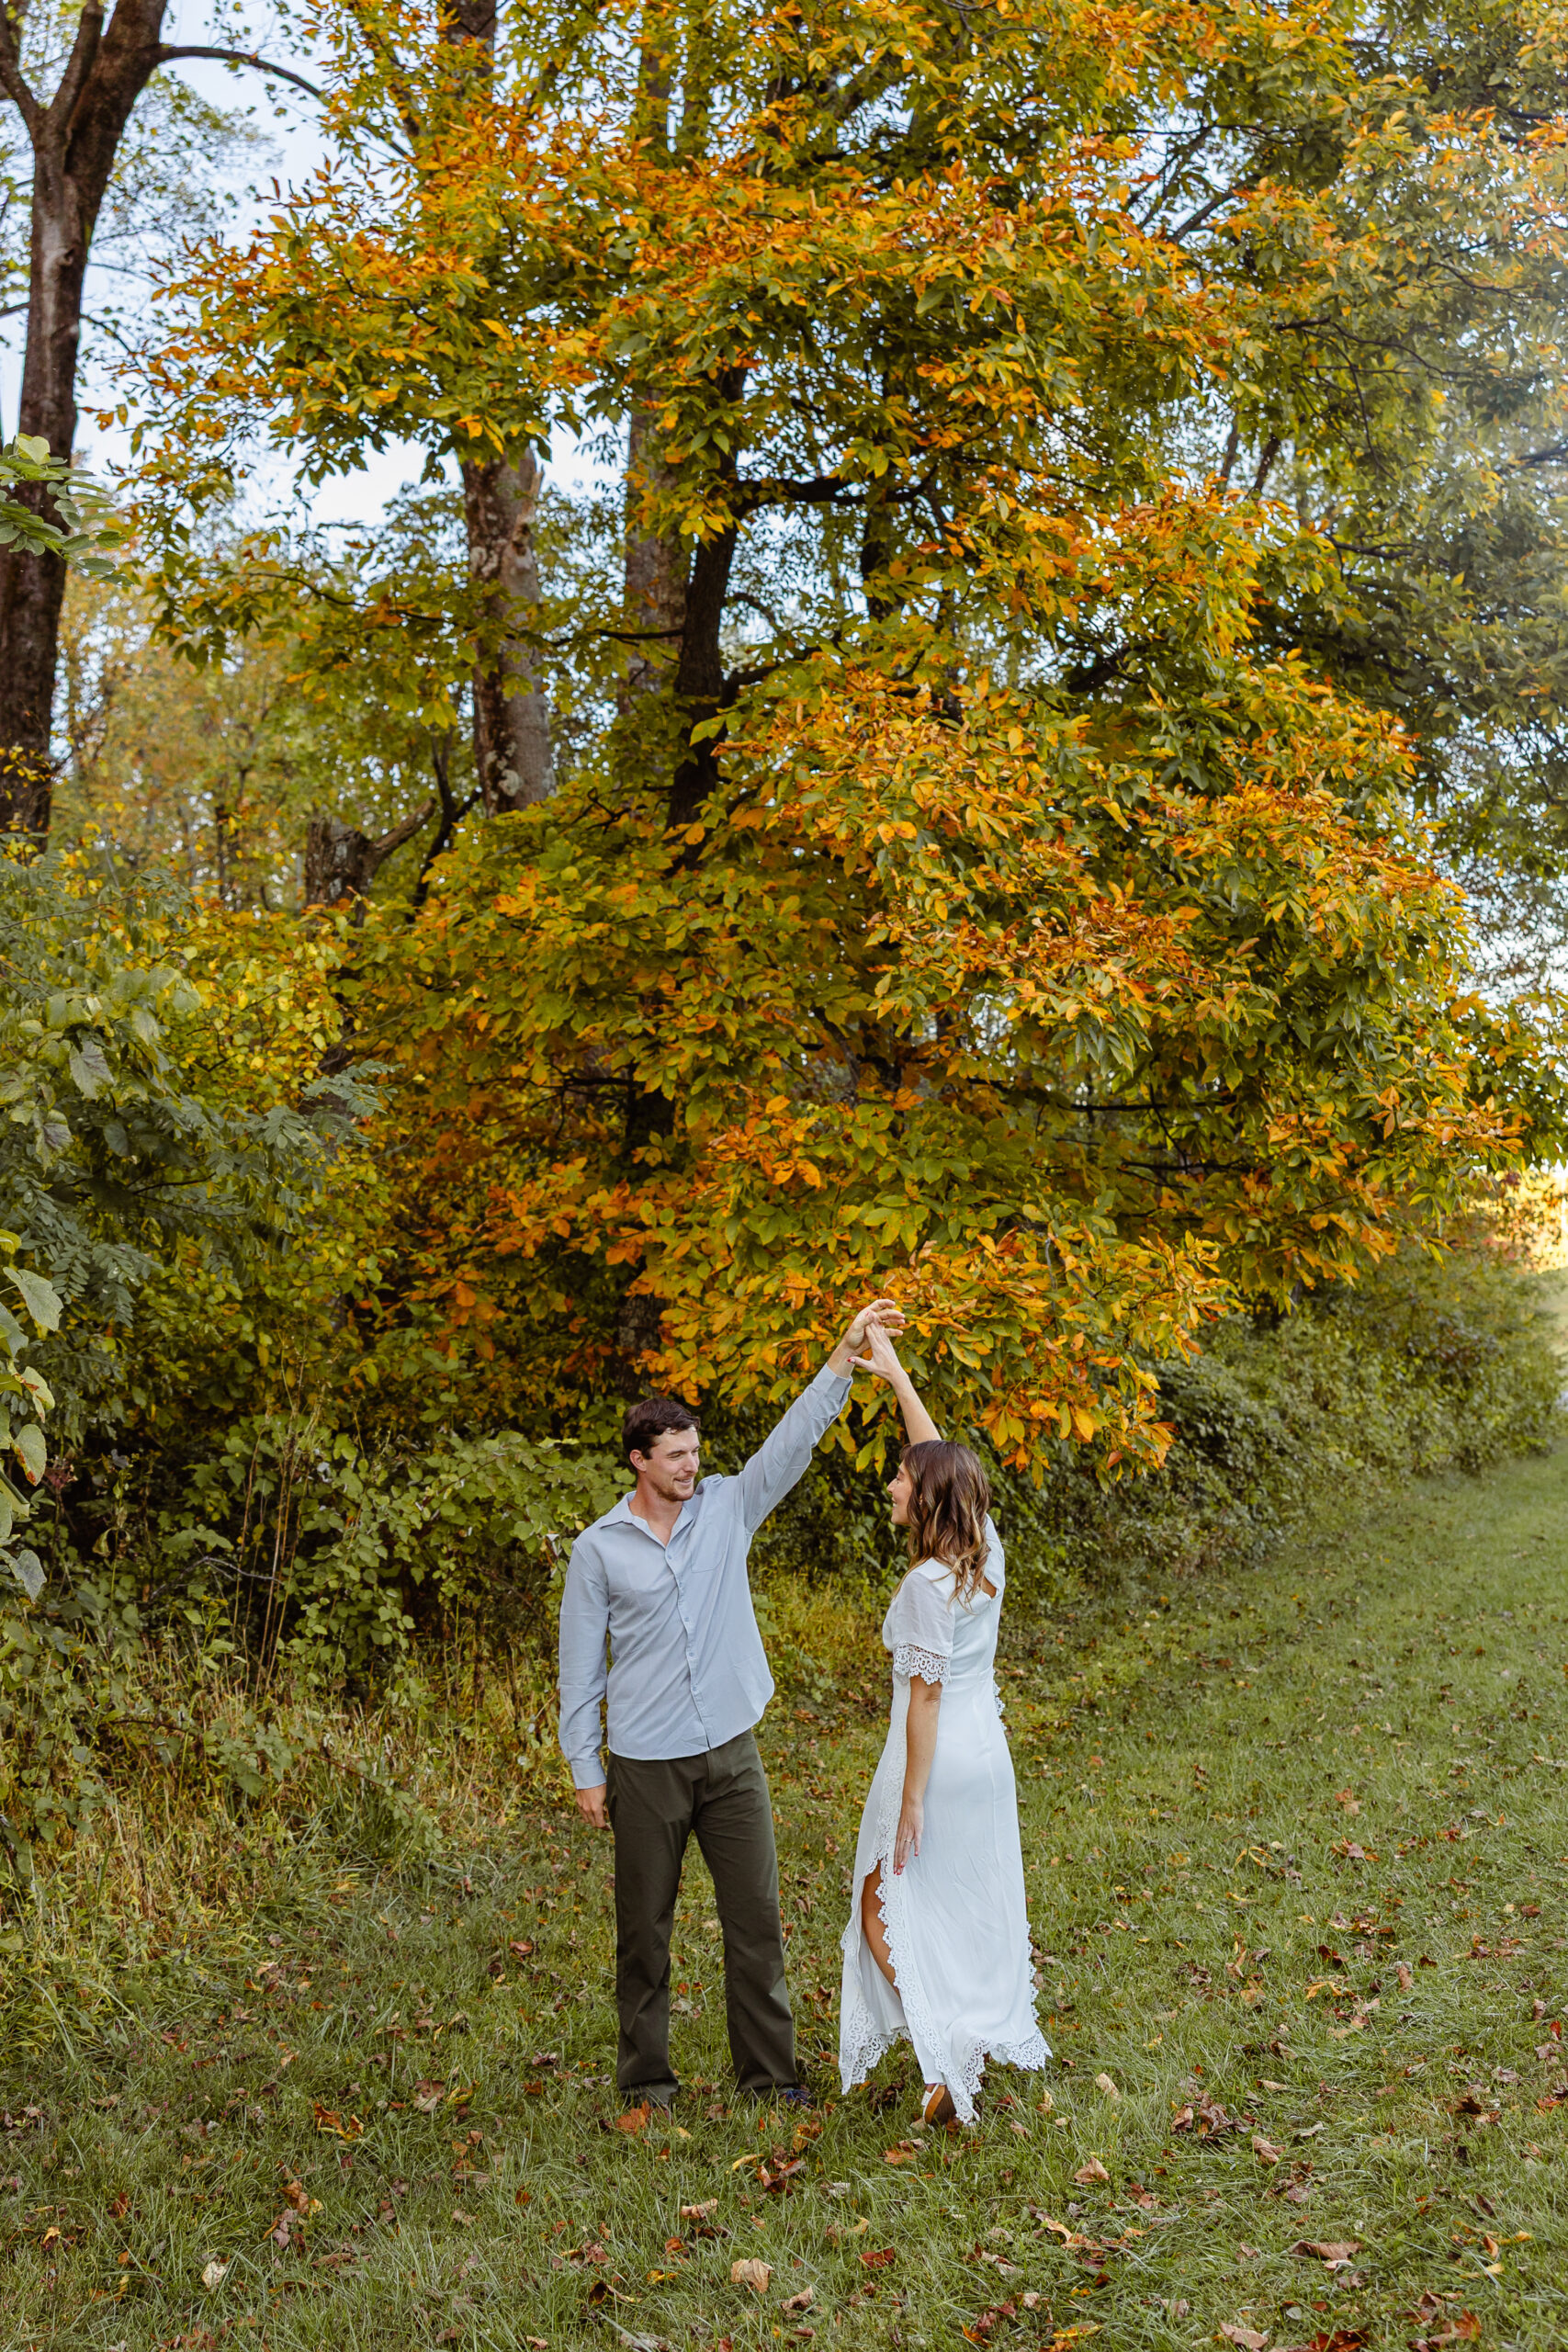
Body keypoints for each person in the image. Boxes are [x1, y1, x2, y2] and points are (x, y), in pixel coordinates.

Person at [558, 1297, 904, 2110]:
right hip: (645, 1763)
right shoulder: (598, 1550)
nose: (690, 1465)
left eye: (695, 1452)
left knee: (756, 1921)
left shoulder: (726, 1508)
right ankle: (646, 2084)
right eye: (675, 1455)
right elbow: (579, 1670)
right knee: (644, 1933)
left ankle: (771, 2079)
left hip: (730, 1755)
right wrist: (585, 1768)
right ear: (638, 1460)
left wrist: (840, 1356)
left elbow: (790, 1444)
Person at [838, 1322, 1050, 2126]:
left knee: (879, 1903)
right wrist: (898, 1380)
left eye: (900, 1478)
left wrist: (911, 1800)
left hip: (932, 1762)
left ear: (925, 1499)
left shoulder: (927, 1584)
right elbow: (940, 1457)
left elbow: (922, 1700)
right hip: (983, 1751)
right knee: (950, 1901)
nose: (892, 1485)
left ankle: (944, 2054)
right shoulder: (984, 1553)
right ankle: (955, 2044)